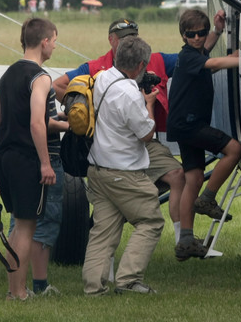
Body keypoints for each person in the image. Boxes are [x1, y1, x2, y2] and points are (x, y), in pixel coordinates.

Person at [54, 18, 197, 243]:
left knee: (178, 176)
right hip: (110, 146)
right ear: (111, 40)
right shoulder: (95, 68)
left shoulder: (154, 60)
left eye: (133, 37)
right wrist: (82, 112)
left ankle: (182, 240)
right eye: (123, 38)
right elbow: (58, 86)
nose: (128, 41)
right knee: (113, 208)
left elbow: (193, 57)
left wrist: (216, 32)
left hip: (145, 140)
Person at [82, 35, 163, 296]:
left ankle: (93, 287)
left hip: (97, 168)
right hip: (124, 172)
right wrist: (149, 104)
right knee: (151, 220)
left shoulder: (104, 77)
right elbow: (146, 134)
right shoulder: (129, 94)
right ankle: (128, 280)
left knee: (103, 231)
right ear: (140, 65)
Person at [0, 17, 59, 301]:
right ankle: (18, 292)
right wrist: (45, 162)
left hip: (4, 157)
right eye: (54, 40)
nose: (55, 45)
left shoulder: (7, 74)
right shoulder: (40, 77)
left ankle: (13, 289)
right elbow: (37, 123)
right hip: (26, 159)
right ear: (44, 42)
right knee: (26, 227)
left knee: (17, 225)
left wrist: (3, 147)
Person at [167, 9, 241, 261]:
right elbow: (215, 63)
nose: (198, 38)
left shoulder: (195, 51)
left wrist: (217, 31)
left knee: (194, 178)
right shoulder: (188, 57)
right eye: (192, 35)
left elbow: (206, 49)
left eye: (201, 33)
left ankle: (185, 240)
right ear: (183, 35)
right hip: (189, 125)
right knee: (234, 150)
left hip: (183, 125)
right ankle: (207, 199)